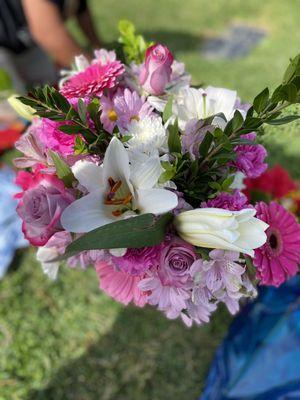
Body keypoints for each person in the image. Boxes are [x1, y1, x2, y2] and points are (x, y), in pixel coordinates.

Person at [0, 0, 102, 92]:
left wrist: (98, 48)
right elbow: (48, 35)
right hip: (4, 46)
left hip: (27, 42)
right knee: (13, 102)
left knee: (48, 92)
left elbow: (81, 11)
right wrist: (97, 74)